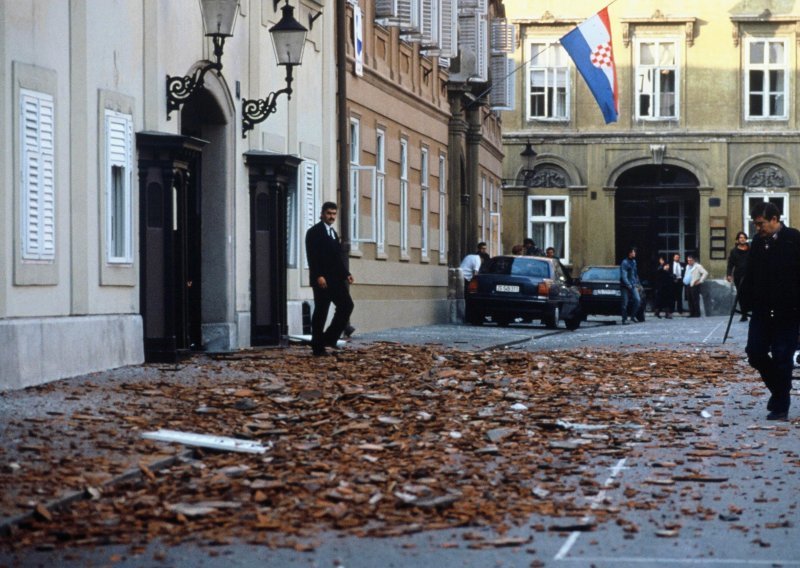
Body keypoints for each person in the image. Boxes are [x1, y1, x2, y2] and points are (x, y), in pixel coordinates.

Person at [740, 202, 800, 421]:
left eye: (761, 223)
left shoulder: (794, 239)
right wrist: (745, 302)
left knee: (783, 357)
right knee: (755, 353)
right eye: (756, 224)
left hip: (788, 310)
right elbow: (751, 273)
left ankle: (780, 407)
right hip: (762, 310)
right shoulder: (757, 242)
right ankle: (779, 390)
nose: (758, 228)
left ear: (775, 219)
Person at [305, 202, 354, 357]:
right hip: (322, 280)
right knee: (321, 312)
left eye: (334, 214)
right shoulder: (314, 232)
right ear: (322, 214)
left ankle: (329, 338)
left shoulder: (332, 233)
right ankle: (318, 347)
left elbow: (337, 258)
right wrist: (318, 275)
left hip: (335, 279)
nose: (331, 216)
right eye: (328, 213)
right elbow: (312, 256)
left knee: (346, 305)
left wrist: (346, 273)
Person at [726, 231, 750, 322]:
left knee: (751, 293)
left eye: (744, 237)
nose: (742, 239)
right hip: (739, 276)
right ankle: (744, 314)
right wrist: (729, 274)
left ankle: (753, 312)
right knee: (741, 295)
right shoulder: (734, 251)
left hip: (750, 275)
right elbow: (730, 264)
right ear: (738, 239)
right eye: (740, 237)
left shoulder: (750, 249)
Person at [620, 247, 641, 325]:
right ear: (629, 253)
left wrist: (637, 283)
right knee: (625, 303)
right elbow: (624, 275)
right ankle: (624, 319)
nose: (634, 253)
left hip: (633, 284)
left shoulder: (634, 262)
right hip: (625, 285)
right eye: (633, 252)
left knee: (638, 300)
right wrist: (628, 284)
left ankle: (633, 316)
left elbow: (635, 274)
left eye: (634, 252)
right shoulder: (624, 262)